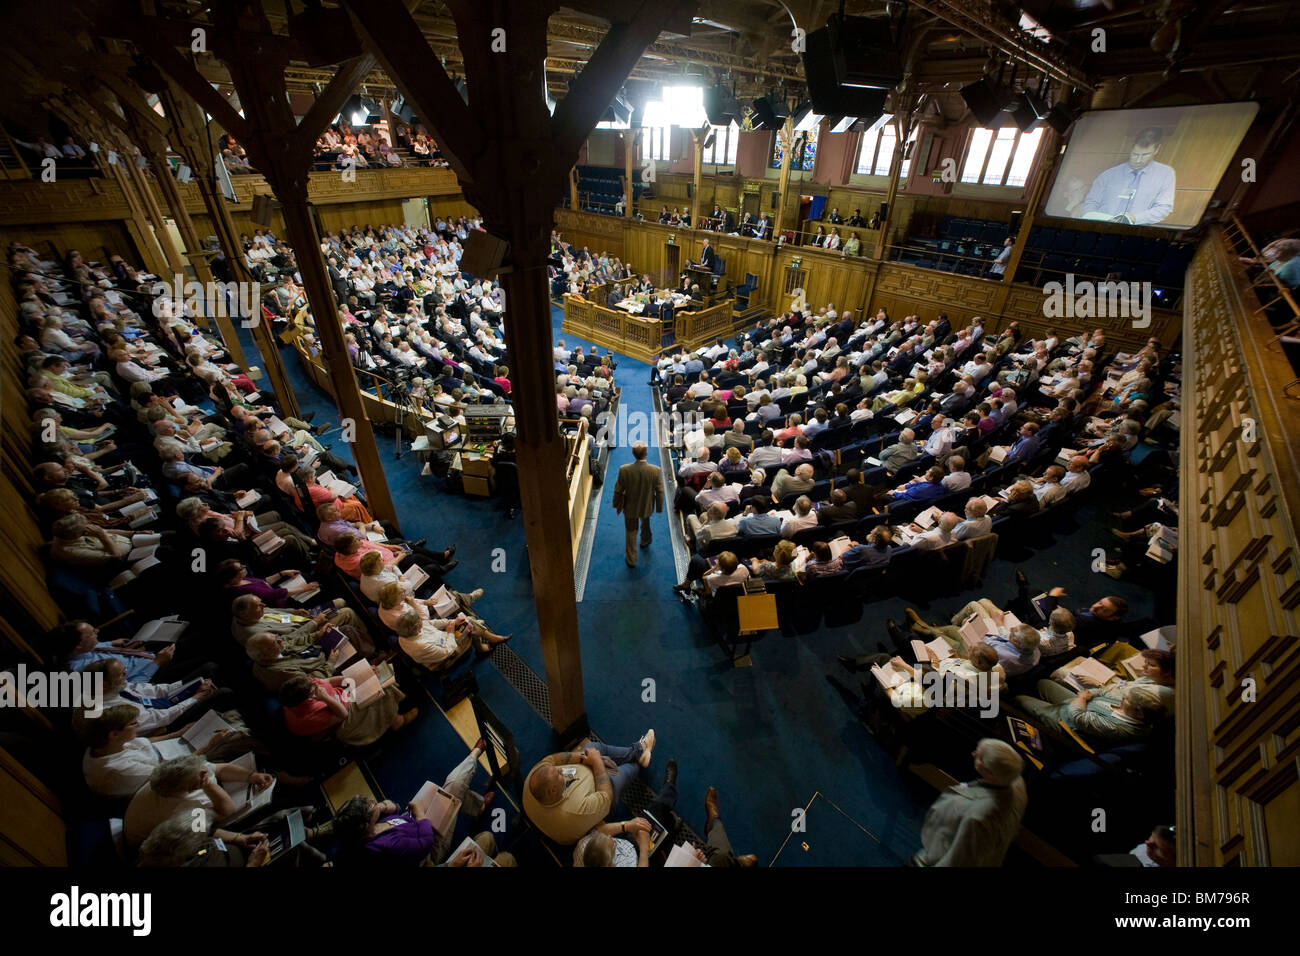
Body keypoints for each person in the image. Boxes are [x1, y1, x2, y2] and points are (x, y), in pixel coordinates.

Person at [523, 731, 657, 845]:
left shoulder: (534, 777)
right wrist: (597, 762)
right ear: (553, 791)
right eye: (558, 774)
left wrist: (583, 759)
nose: (560, 771)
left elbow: (553, 759)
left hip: (587, 767)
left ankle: (637, 750)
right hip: (604, 792)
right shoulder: (573, 813)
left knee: (593, 747)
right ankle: (639, 758)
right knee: (630, 769)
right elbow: (606, 798)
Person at [912, 739, 1027, 867]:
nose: (973, 754)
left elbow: (958, 861)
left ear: (990, 773)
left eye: (979, 756)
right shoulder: (1015, 780)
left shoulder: (978, 817)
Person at [1079, 127, 1176, 225]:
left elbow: (1164, 208)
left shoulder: (1165, 174)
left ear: (1157, 150)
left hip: (1136, 231)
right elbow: (1091, 203)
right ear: (1131, 148)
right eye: (1135, 154)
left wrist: (1135, 218)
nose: (1138, 160)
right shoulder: (1109, 174)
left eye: (1145, 155)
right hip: (1102, 228)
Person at [612, 441, 663, 567]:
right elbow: (660, 491)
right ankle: (645, 540)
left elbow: (618, 489)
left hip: (630, 507)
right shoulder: (655, 470)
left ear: (633, 454)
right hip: (647, 505)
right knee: (646, 522)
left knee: (630, 532)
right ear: (646, 453)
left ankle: (631, 559)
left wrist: (615, 503)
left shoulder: (624, 470)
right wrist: (659, 507)